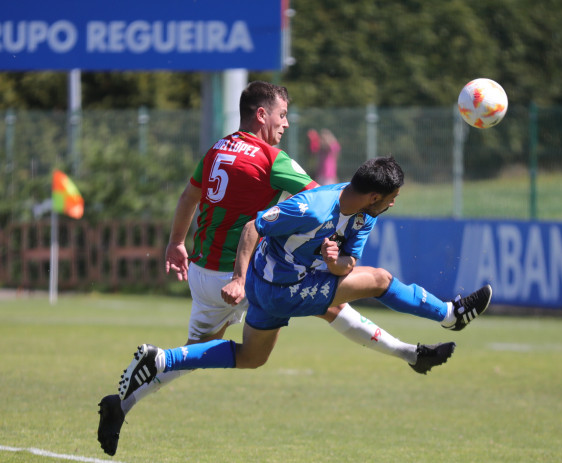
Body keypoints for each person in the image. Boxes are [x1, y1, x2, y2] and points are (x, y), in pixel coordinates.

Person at [97, 83, 449, 456]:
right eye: (282, 115)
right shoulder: (271, 159)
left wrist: (175, 242)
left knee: (313, 308)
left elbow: (190, 196)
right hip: (244, 273)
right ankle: (409, 353)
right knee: (319, 306)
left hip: (203, 270)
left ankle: (123, 404)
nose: (285, 124)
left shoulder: (217, 148)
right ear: (261, 115)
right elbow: (323, 201)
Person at [115, 157, 493, 416]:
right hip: (275, 287)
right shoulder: (312, 206)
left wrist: (336, 263)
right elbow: (253, 227)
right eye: (392, 199)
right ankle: (449, 314)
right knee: (380, 282)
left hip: (287, 288)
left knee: (251, 357)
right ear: (376, 196)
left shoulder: (364, 216)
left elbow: (349, 264)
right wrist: (238, 278)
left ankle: (160, 359)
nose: (393, 205)